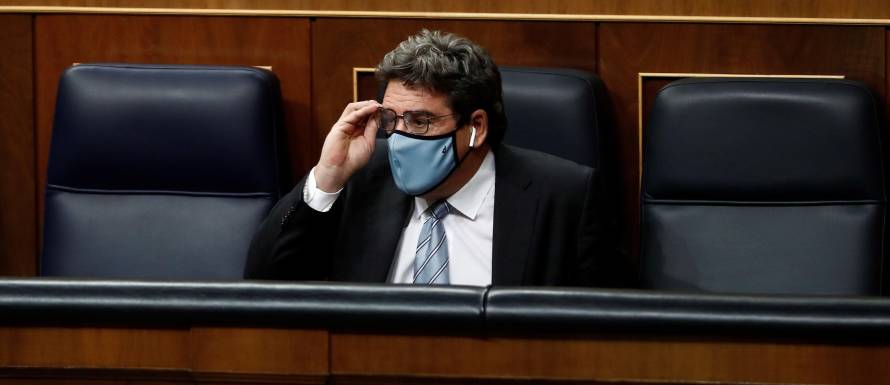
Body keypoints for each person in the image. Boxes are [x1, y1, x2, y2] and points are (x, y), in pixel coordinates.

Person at [245, 29, 624, 287]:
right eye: (393, 119)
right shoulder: (360, 180)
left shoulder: (564, 196)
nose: (401, 138)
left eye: (422, 121)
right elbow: (262, 281)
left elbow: (605, 329)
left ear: (476, 126)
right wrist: (327, 179)